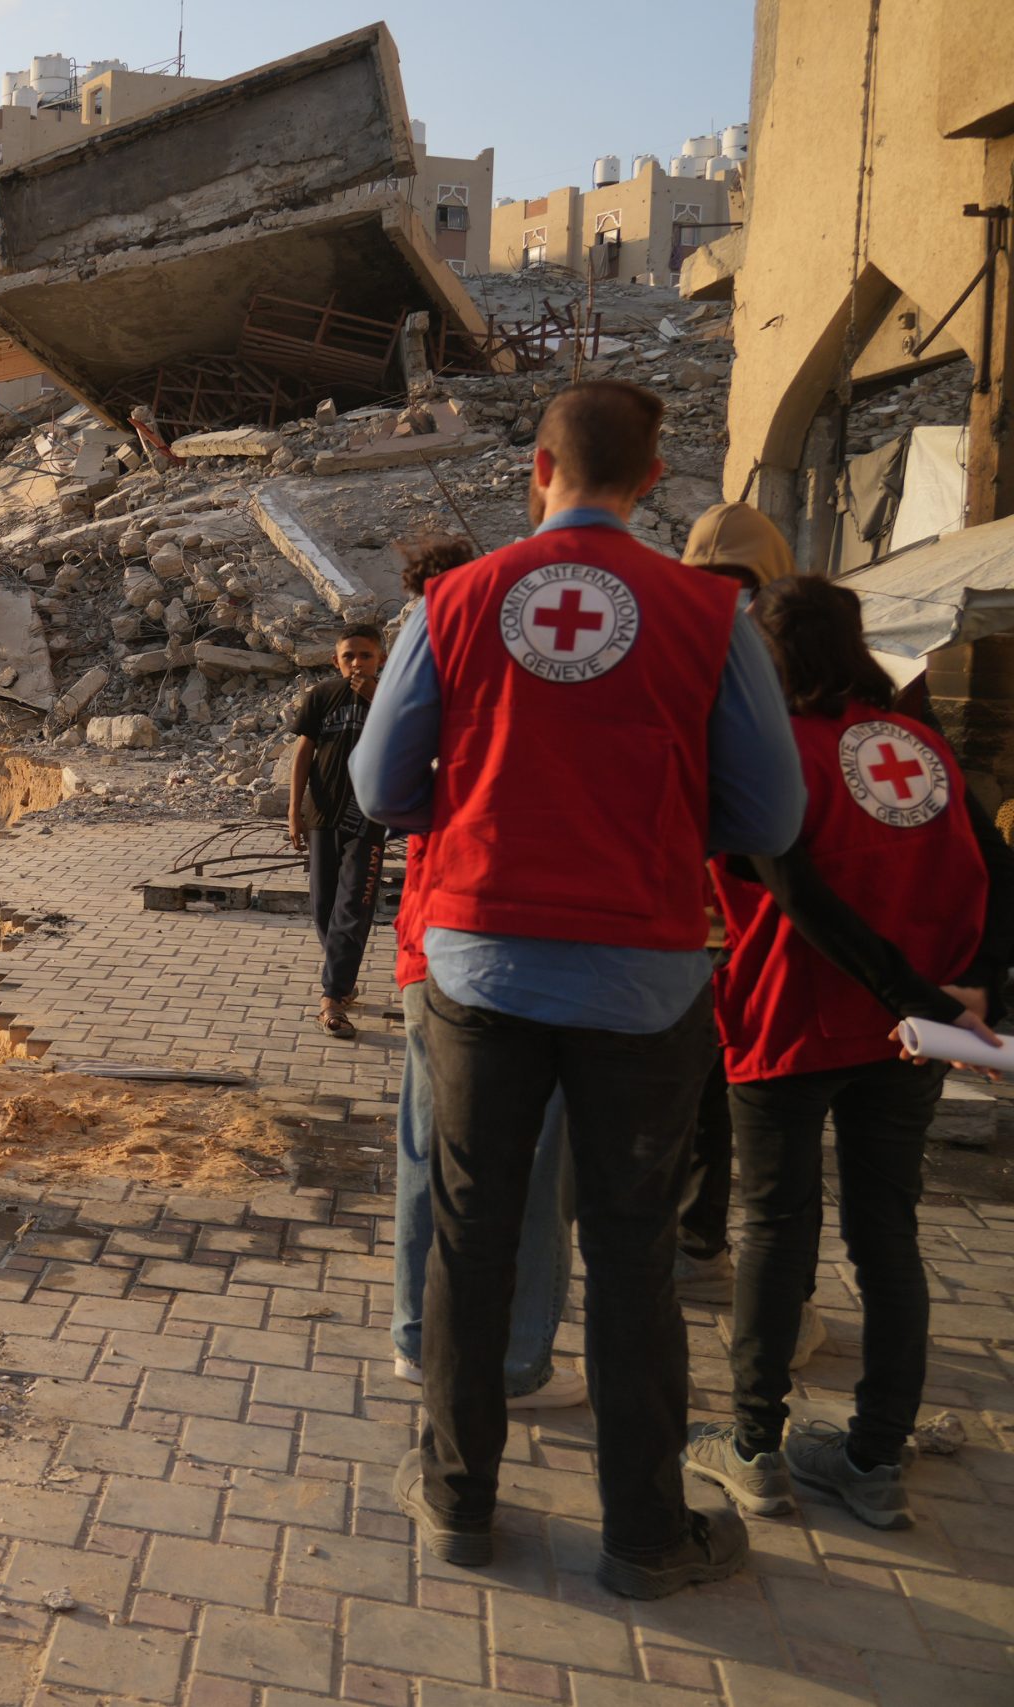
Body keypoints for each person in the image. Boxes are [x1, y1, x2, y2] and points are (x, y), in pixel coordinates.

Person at [353, 379, 805, 1600]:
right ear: (654, 481)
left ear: (535, 469)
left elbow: (378, 788)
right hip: (644, 983)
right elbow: (771, 813)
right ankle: (644, 1534)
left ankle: (456, 1502)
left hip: (478, 965)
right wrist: (653, 826)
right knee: (633, 1256)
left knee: (469, 1239)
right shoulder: (710, 615)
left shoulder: (453, 601)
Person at [682, 576, 1012, 1532]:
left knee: (776, 1231)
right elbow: (1003, 872)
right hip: (913, 1037)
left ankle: (755, 1447)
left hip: (797, 1018)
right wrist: (973, 984)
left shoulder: (776, 751)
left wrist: (906, 991)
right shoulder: (924, 745)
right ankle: (873, 1458)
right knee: (889, 1237)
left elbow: (798, 895)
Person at [381, 536, 588, 1413]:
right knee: (537, 1166)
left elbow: (381, 784)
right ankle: (513, 1363)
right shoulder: (574, 649)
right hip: (536, 942)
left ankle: (417, 1339)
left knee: (430, 1151)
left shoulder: (442, 645)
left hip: (435, 937)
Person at [669, 501, 801, 1310]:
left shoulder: (796, 666)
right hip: (697, 920)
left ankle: (739, 1263)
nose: (731, 603)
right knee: (703, 1099)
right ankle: (699, 1245)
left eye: (741, 586)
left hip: (756, 922)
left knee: (742, 1102)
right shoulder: (695, 654)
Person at [286, 622, 390, 1038]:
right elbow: (303, 754)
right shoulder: (322, 697)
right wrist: (295, 811)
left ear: (382, 659)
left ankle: (332, 995)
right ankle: (342, 978)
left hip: (369, 818)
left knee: (354, 905)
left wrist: (371, 694)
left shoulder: (392, 700)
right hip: (323, 816)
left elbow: (411, 736)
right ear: (335, 661)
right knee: (323, 906)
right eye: (349, 656)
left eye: (366, 655)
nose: (357, 663)